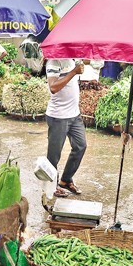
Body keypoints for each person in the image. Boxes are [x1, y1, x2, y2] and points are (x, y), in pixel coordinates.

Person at [45, 57, 88, 197]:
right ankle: (51, 187)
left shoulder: (71, 60)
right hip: (58, 116)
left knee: (81, 146)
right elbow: (54, 87)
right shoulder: (53, 62)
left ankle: (65, 180)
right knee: (54, 155)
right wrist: (74, 72)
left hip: (74, 115)